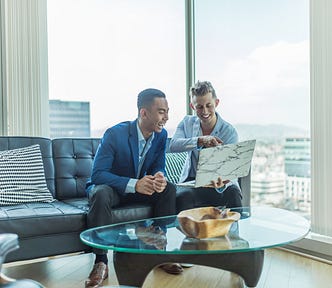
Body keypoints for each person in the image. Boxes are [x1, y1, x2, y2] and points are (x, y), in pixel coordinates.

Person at [85, 88, 178, 288]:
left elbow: (158, 165)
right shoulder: (115, 134)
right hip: (114, 190)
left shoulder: (161, 136)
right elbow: (98, 175)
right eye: (162, 111)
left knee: (168, 188)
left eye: (167, 111)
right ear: (144, 113)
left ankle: (159, 250)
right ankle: (101, 262)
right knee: (100, 193)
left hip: (140, 189)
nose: (167, 117)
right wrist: (134, 184)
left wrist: (160, 176)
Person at [169, 80, 243, 213]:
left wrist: (222, 183)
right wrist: (200, 140)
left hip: (220, 185)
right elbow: (173, 145)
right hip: (193, 184)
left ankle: (234, 233)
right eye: (199, 107)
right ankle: (187, 233)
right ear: (192, 106)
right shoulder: (187, 123)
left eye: (209, 105)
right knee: (182, 198)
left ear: (217, 103)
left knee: (234, 194)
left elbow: (232, 169)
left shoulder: (229, 131)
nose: (205, 111)